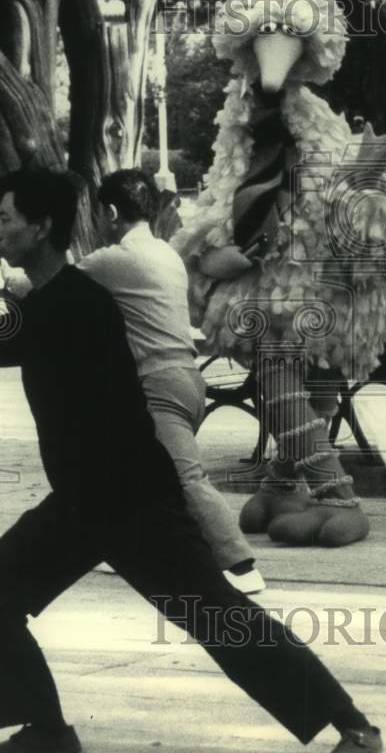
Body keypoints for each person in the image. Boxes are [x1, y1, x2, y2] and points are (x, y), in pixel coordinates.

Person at [0, 169, 381, 753]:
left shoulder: (73, 303)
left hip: (135, 499)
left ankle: (352, 724)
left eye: (7, 219)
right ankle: (45, 728)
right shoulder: (53, 301)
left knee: (217, 616)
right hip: (83, 504)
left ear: (41, 228)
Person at [77, 169, 264, 594]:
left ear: (109, 212)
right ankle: (121, 547)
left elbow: (50, 287)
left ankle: (240, 566)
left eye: (96, 215)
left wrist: (13, 280)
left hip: (157, 385)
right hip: (185, 379)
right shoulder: (165, 254)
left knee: (185, 477)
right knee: (125, 469)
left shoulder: (114, 260)